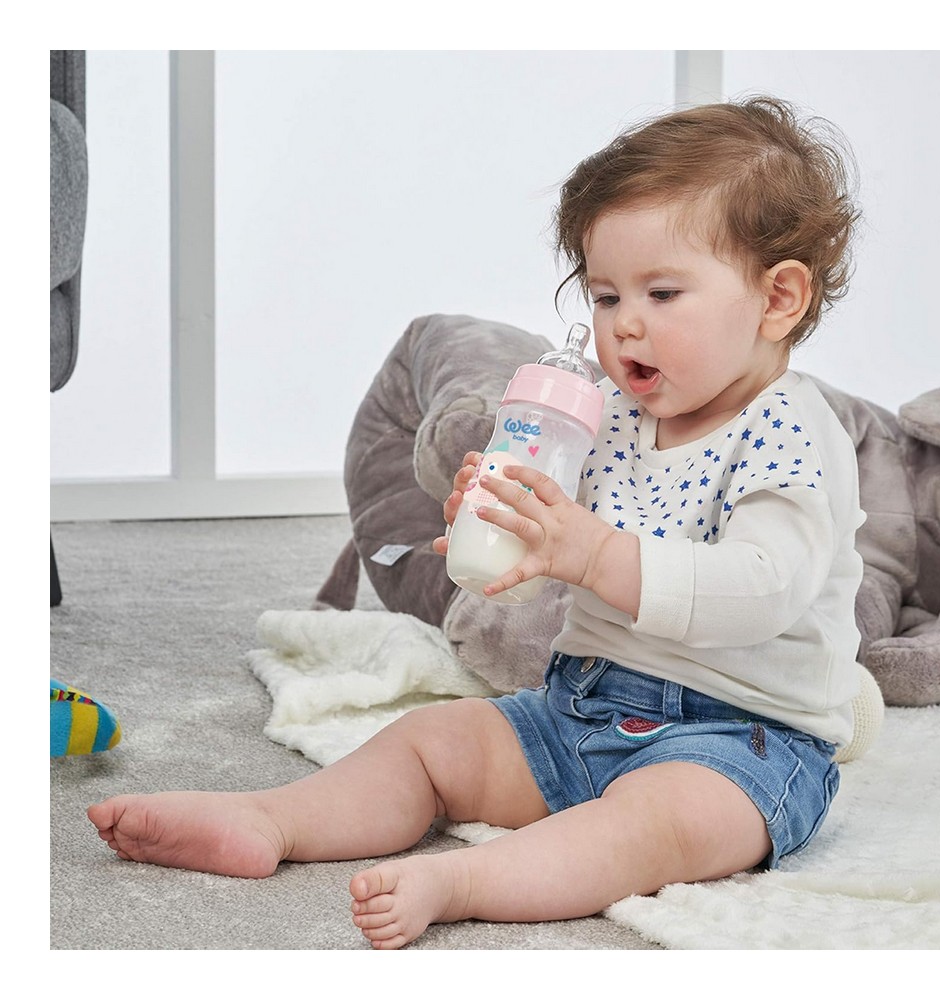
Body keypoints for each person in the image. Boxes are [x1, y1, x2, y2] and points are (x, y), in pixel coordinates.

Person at [87, 95, 864, 950]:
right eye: (606, 296)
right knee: (434, 740)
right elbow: (550, 547)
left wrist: (592, 552)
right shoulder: (609, 416)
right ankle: (273, 820)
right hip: (583, 706)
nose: (625, 324)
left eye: (662, 292)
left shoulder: (791, 432)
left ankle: (465, 880)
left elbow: (763, 590)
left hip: (741, 742)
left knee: (653, 822)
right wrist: (505, 524)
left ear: (778, 298)